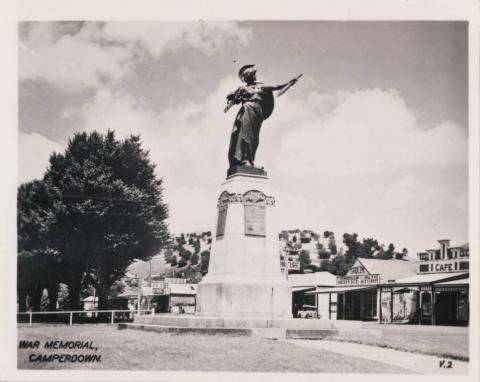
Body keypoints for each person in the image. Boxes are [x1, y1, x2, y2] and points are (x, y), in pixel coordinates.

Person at [225, 64, 298, 168]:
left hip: (256, 114)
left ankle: (250, 160)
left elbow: (276, 86)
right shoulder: (243, 88)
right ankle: (243, 160)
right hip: (247, 111)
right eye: (253, 74)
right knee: (244, 135)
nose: (255, 76)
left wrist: (290, 82)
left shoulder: (261, 86)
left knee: (254, 138)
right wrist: (235, 96)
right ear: (248, 76)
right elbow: (230, 96)